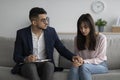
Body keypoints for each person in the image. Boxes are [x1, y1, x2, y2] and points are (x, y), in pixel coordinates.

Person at [11, 7, 81, 80]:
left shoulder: (51, 32)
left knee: (49, 65)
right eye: (43, 20)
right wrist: (26, 59)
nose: (47, 22)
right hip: (28, 66)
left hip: (45, 65)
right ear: (34, 22)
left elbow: (61, 48)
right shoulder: (21, 34)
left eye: (46, 19)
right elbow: (16, 56)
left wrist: (73, 57)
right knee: (30, 66)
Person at [68, 13, 108, 80]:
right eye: (80, 28)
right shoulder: (77, 38)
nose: (83, 30)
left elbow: (100, 58)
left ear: (91, 26)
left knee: (84, 67)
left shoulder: (101, 38)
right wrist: (76, 61)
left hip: (100, 65)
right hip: (82, 64)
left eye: (85, 27)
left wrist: (84, 62)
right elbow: (77, 55)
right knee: (74, 67)